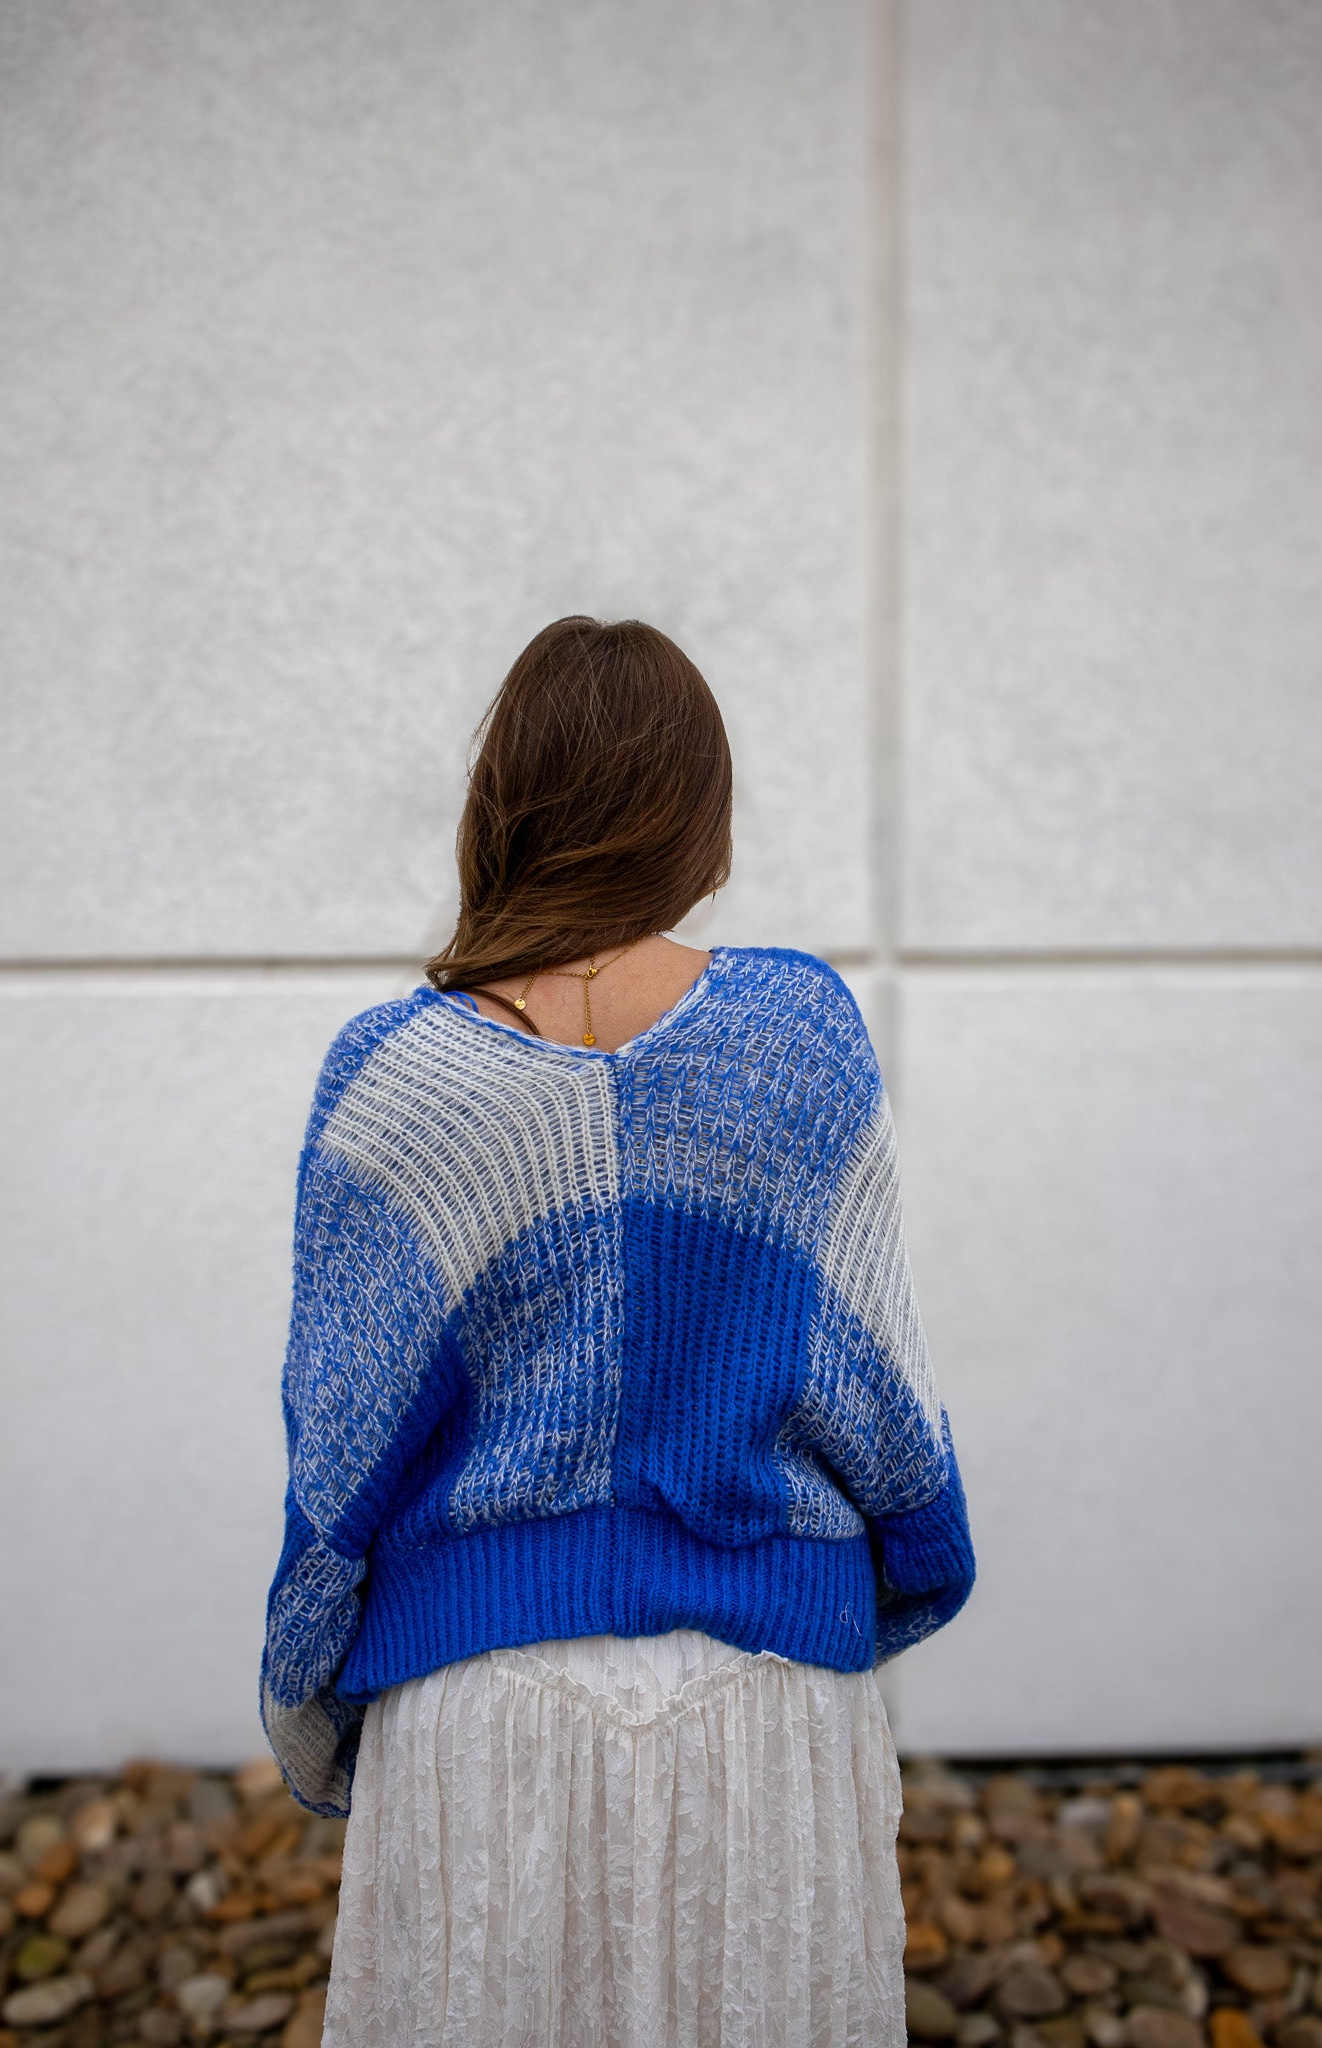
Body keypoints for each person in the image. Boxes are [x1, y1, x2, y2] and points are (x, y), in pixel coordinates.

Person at [258, 614, 977, 2048]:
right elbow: (882, 1388)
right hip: (762, 1702)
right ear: (694, 819)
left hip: (479, 1707)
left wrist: (305, 1694)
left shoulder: (393, 1082)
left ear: (500, 804)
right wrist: (906, 1564)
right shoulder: (800, 1032)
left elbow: (335, 1458)